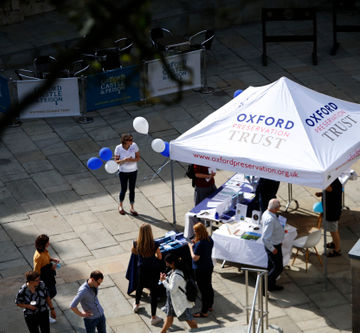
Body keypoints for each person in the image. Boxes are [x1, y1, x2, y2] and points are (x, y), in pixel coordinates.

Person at [131, 223, 163, 326]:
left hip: (142, 268)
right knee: (153, 292)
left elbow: (133, 252)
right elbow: (160, 256)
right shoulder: (154, 244)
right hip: (153, 269)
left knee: (139, 286)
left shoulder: (136, 243)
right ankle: (153, 317)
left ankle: (136, 304)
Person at [159, 253, 197, 333]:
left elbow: (172, 289)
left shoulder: (177, 275)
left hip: (180, 302)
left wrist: (163, 281)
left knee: (190, 321)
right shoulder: (175, 270)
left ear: (172, 263)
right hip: (172, 301)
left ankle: (198, 331)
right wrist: (165, 278)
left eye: (167, 262)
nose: (166, 264)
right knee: (169, 318)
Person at [188, 222, 214, 317]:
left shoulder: (200, 244)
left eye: (195, 231)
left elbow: (195, 257)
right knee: (209, 286)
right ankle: (210, 305)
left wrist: (191, 247)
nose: (194, 233)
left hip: (200, 269)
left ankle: (204, 311)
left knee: (203, 290)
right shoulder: (210, 239)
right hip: (209, 266)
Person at [33, 234, 60, 323]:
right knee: (50, 294)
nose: (49, 243)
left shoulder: (44, 251)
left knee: (52, 293)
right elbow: (37, 271)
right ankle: (42, 311)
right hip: (45, 279)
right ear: (43, 244)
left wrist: (52, 260)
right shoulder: (39, 256)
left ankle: (42, 305)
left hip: (49, 277)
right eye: (47, 242)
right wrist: (51, 268)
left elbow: (47, 259)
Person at [261, 198, 284, 291]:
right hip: (273, 246)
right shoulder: (270, 220)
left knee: (271, 266)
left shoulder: (267, 213)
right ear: (276, 208)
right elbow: (265, 238)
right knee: (278, 267)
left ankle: (270, 285)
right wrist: (272, 249)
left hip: (275, 243)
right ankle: (264, 284)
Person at [315, 178, 343, 257]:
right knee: (332, 230)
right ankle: (334, 243)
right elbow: (329, 191)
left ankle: (337, 250)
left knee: (334, 231)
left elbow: (329, 189)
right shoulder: (333, 181)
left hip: (333, 212)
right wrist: (321, 193)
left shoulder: (335, 183)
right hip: (330, 210)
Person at [114, 133, 140, 216]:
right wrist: (124, 160)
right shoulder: (118, 148)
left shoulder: (134, 146)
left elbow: (138, 158)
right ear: (125, 141)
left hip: (133, 171)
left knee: (132, 189)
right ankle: (120, 205)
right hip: (123, 172)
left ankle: (132, 207)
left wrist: (131, 160)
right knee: (124, 189)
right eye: (130, 140)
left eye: (132, 139)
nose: (132, 141)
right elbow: (116, 161)